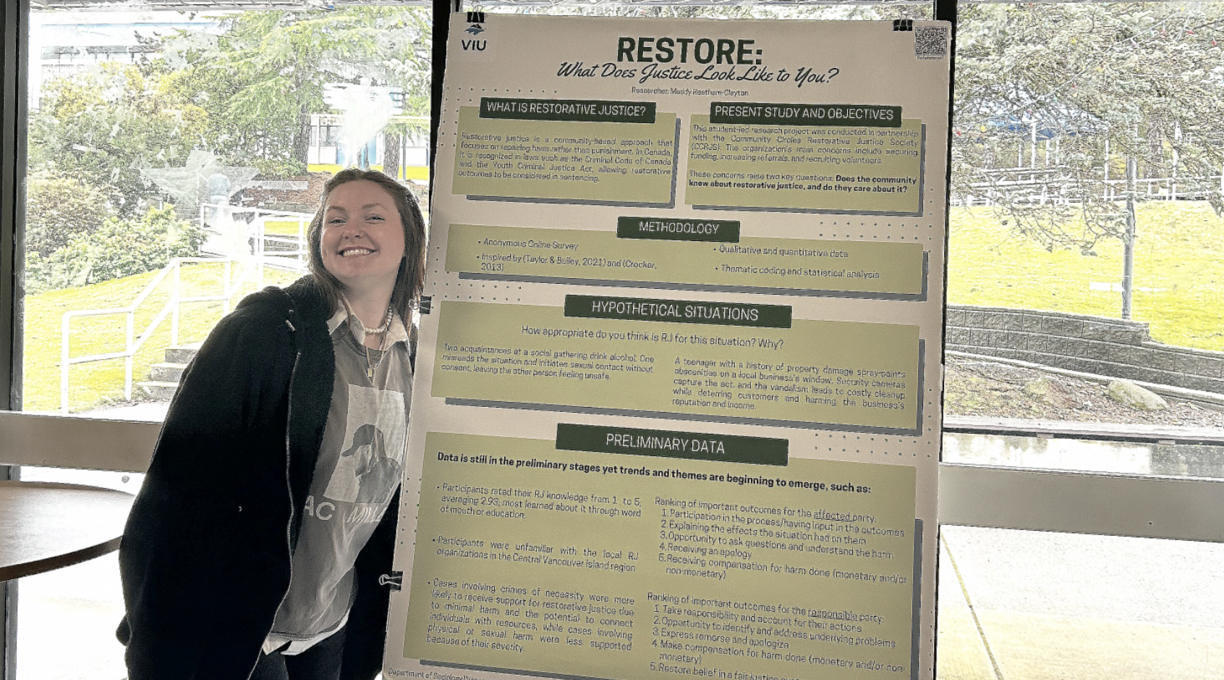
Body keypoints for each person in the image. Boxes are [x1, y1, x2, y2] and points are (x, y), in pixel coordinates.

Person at [117, 168, 427, 680]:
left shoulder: (411, 356)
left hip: (332, 624)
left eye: (374, 216)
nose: (351, 229)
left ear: (409, 239)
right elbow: (173, 502)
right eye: (336, 218)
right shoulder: (263, 335)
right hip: (241, 629)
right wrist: (159, 638)